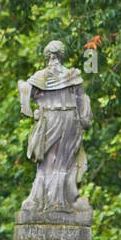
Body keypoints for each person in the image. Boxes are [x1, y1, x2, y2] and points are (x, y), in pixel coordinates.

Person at [19, 40, 92, 213]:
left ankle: (41, 200)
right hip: (69, 118)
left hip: (51, 118)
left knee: (47, 163)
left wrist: (30, 111)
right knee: (63, 162)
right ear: (63, 54)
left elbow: (24, 91)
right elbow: (82, 100)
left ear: (47, 56)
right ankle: (58, 201)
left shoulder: (40, 76)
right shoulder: (73, 75)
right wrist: (84, 119)